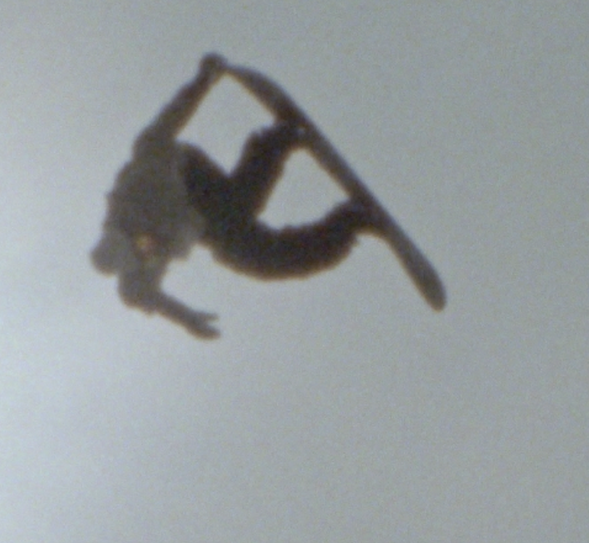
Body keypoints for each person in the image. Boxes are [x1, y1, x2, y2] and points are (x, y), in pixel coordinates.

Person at [92, 54, 386, 339]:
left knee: (238, 208)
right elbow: (139, 296)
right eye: (147, 254)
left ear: (129, 227)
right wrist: (186, 318)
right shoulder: (138, 277)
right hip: (201, 223)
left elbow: (172, 117)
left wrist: (204, 78)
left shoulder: (144, 176)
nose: (152, 247)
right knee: (262, 259)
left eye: (142, 242)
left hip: (192, 178)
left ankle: (277, 139)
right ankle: (348, 223)